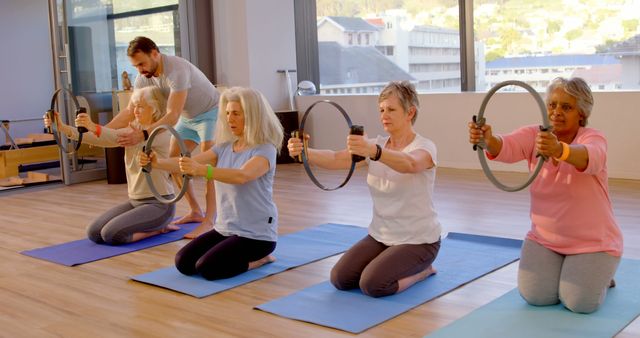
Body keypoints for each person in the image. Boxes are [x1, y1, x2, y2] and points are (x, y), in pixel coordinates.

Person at [468, 77, 623, 313]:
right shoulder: (535, 135)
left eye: (566, 107)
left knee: (579, 303)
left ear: (581, 113)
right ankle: (576, 272)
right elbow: (506, 146)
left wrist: (559, 150)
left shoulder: (592, 137)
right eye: (552, 104)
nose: (556, 112)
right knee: (536, 296)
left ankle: (601, 275)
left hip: (593, 242)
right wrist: (488, 140)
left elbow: (590, 156)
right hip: (545, 239)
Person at [288, 81, 442, 297]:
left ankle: (422, 272)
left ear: (410, 112)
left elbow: (410, 164)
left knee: (372, 284)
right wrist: (304, 151)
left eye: (391, 109)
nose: (384, 115)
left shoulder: (424, 147)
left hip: (418, 241)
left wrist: (374, 151)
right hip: (381, 236)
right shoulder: (375, 145)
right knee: (340, 278)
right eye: (381, 110)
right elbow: (334, 158)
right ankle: (392, 259)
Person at [139, 87, 283, 280]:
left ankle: (260, 260)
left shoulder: (265, 149)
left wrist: (203, 171)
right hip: (225, 228)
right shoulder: (223, 147)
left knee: (208, 268)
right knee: (184, 262)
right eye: (228, 113)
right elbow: (189, 162)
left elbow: (242, 176)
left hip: (256, 235)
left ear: (252, 116)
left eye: (236, 114)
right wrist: (157, 163)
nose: (230, 119)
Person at [108, 36, 219, 239]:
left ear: (155, 54)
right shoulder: (143, 78)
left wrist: (142, 133)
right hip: (187, 117)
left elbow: (172, 115)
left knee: (207, 168)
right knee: (173, 162)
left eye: (142, 63)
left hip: (207, 113)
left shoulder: (176, 70)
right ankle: (195, 210)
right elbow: (129, 111)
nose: (139, 69)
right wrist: (101, 130)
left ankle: (210, 220)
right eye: (135, 65)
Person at [44, 87, 178, 244]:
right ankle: (154, 226)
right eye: (134, 106)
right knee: (94, 232)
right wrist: (62, 128)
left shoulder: (162, 133)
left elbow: (119, 136)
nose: (136, 110)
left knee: (112, 234)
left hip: (160, 205)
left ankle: (159, 229)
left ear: (154, 108)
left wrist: (94, 126)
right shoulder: (132, 129)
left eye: (141, 106)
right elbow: (104, 139)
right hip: (135, 202)